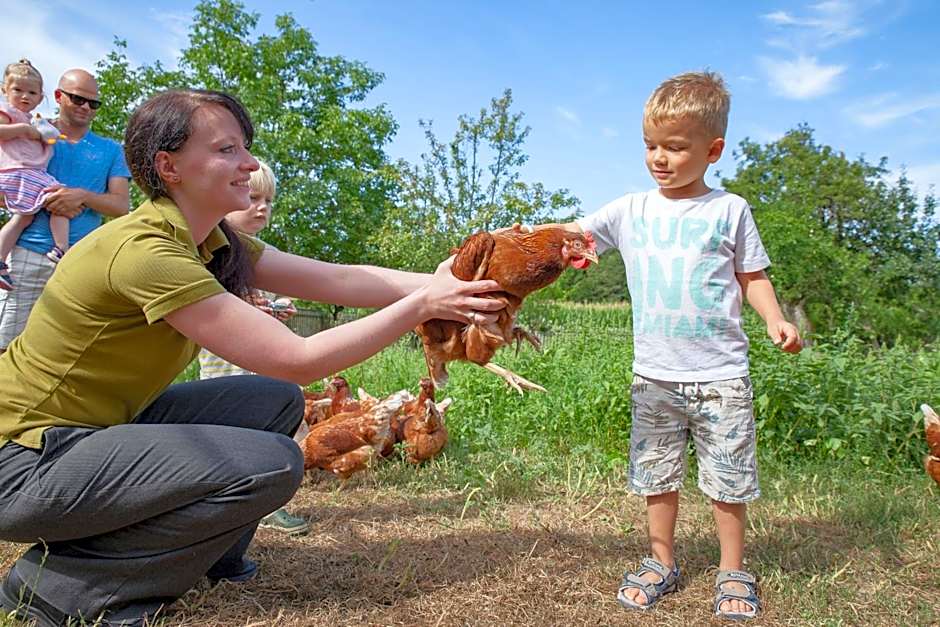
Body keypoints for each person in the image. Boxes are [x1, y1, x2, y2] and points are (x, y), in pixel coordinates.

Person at [0, 88, 504, 626]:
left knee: (271, 403)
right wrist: (425, 304)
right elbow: (299, 357)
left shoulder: (211, 241)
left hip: (90, 433)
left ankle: (205, 553)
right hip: (24, 460)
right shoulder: (146, 252)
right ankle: (60, 586)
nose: (250, 164)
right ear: (168, 166)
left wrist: (455, 283)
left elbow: (339, 278)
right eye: (227, 150)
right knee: (272, 463)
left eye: (245, 147)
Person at [530, 71, 801, 619]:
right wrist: (525, 242)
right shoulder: (631, 210)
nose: (659, 158)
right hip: (654, 374)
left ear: (713, 150)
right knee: (656, 475)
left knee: (727, 479)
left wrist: (774, 318)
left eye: (675, 147)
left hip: (722, 373)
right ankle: (661, 561)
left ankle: (731, 570)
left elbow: (752, 275)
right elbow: (569, 237)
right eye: (651, 145)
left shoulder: (730, 210)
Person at [197, 159, 309, 536]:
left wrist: (278, 310)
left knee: (271, 429)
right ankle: (233, 504)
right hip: (225, 363)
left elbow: (269, 304)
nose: (262, 207)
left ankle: (266, 504)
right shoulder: (210, 250)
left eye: (268, 200)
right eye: (253, 197)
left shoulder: (263, 253)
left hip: (263, 360)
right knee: (232, 432)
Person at [0, 68, 130, 352]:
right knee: (6, 344)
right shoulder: (32, 132)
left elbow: (121, 205)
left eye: (93, 103)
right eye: (78, 99)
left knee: (64, 351)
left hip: (78, 260)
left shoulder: (110, 150)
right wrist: (42, 198)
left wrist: (80, 196)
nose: (86, 107)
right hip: (25, 255)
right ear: (58, 97)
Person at [0, 59, 70, 290]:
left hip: (29, 173)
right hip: (18, 171)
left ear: (40, 97)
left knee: (25, 217)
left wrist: (43, 133)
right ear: (4, 90)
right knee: (60, 198)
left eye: (31, 92)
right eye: (17, 90)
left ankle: (1, 261)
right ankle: (62, 248)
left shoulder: (34, 120)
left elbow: (50, 136)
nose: (24, 97)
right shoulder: (8, 113)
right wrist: (23, 130)